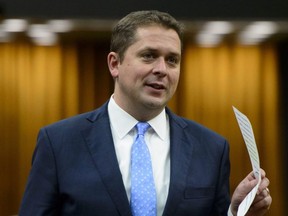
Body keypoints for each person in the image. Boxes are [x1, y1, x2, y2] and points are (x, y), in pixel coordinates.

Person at [19, 10, 272, 216]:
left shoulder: (211, 147)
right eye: (149, 56)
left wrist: (236, 212)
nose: (162, 69)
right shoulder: (59, 143)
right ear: (114, 64)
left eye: (172, 60)